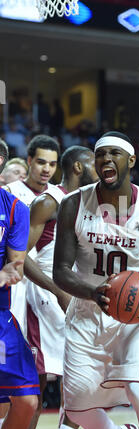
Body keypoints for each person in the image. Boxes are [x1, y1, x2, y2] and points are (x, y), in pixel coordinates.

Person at [52, 131, 139, 429]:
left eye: (115, 154)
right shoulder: (73, 204)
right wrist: (93, 291)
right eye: (101, 155)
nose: (106, 160)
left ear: (131, 161)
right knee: (77, 406)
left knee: (138, 387)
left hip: (136, 317)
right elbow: (60, 271)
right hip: (87, 313)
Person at [15, 146, 99, 429]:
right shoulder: (49, 202)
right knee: (38, 379)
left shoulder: (92, 205)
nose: (100, 166)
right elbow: (19, 257)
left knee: (81, 379)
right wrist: (57, 289)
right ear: (78, 167)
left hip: (80, 296)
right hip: (46, 296)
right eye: (93, 162)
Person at [0, 138, 39, 429]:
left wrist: (13, 269)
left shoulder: (15, 208)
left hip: (0, 317)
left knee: (25, 400)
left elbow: (16, 263)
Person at [3, 134, 59, 338]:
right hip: (15, 278)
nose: (47, 170)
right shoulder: (9, 192)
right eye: (41, 162)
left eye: (52, 164)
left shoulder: (59, 196)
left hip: (44, 279)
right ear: (29, 161)